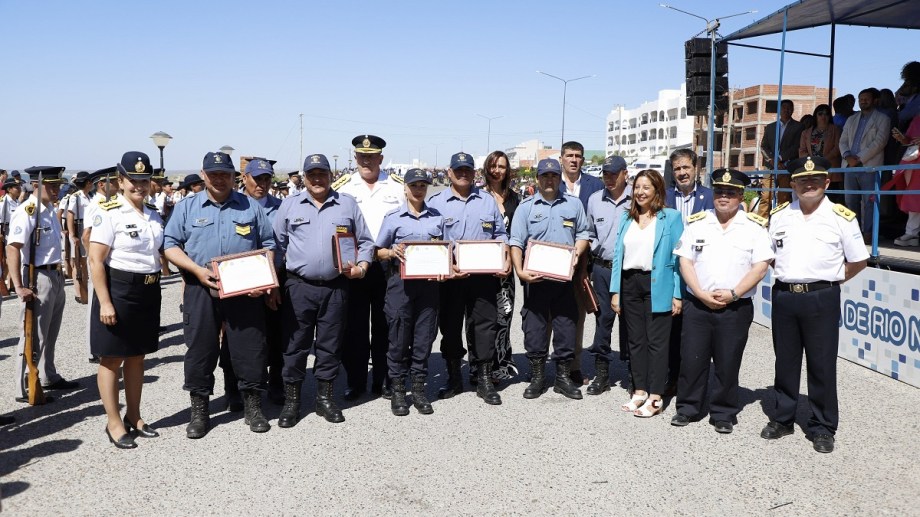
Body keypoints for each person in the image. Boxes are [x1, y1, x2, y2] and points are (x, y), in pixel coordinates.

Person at [164, 151, 278, 438]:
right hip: (201, 287)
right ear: (203, 175)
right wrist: (196, 270)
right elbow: (170, 245)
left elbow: (268, 244)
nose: (219, 179)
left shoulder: (251, 207)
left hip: (244, 291)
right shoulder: (187, 207)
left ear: (233, 177)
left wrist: (263, 279)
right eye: (213, 174)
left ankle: (253, 406)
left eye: (224, 174)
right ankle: (200, 410)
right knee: (200, 349)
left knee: (250, 348)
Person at [762, 156, 869, 453]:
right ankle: (783, 418)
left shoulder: (841, 216)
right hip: (785, 295)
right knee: (785, 361)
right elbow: (769, 255)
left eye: (815, 179)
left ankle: (822, 426)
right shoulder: (780, 215)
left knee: (821, 364)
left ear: (826, 182)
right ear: (793, 184)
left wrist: (829, 279)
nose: (808, 184)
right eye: (802, 180)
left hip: (822, 297)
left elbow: (858, 260)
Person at [273, 153, 374, 426]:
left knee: (330, 346)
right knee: (295, 346)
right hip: (298, 287)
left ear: (330, 176)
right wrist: (273, 284)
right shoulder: (290, 205)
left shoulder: (347, 204)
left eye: (322, 174)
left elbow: (366, 242)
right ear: (304, 177)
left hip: (335, 287)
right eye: (312, 174)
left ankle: (324, 399)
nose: (317, 179)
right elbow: (277, 247)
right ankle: (292, 402)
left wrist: (362, 267)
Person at [670, 169, 773, 433]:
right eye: (719, 192)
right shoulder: (698, 223)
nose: (724, 197)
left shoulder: (754, 227)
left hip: (735, 306)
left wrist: (734, 293)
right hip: (698, 304)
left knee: (728, 361)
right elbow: (685, 261)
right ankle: (688, 408)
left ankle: (723, 413)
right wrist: (699, 292)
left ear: (740, 195)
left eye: (730, 192)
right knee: (692, 359)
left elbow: (761, 267)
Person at [88, 152, 164, 449]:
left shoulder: (153, 213)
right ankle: (114, 422)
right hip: (119, 290)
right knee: (111, 358)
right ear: (120, 181)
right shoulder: (109, 212)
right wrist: (105, 302)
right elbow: (95, 260)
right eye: (133, 180)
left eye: (144, 180)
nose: (139, 186)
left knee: (137, 356)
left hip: (148, 290)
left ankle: (135, 415)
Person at [427, 152, 509, 405]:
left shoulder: (487, 201)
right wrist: (446, 265)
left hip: (483, 277)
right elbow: (430, 239)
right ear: (449, 172)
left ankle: (483, 379)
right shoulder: (436, 202)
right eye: (458, 170)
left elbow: (500, 234)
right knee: (450, 328)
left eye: (467, 170)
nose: (463, 174)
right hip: (450, 278)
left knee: (484, 327)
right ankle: (454, 378)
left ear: (474, 173)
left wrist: (504, 258)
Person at [509, 158, 590, 400]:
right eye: (545, 175)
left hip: (565, 279)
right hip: (536, 280)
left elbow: (583, 233)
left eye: (554, 175)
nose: (549, 179)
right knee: (534, 328)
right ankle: (537, 376)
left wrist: (577, 253)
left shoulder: (574, 205)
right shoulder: (526, 207)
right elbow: (516, 242)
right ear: (538, 178)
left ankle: (562, 378)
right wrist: (519, 271)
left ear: (559, 178)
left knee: (566, 326)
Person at [335, 134, 405, 400]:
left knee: (386, 324)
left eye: (372, 157)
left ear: (380, 158)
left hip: (388, 265)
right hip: (355, 265)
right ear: (355, 158)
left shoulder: (396, 186)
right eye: (362, 157)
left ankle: (383, 379)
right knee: (354, 326)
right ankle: (355, 380)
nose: (367, 161)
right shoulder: (343, 187)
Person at [610, 170, 683, 418]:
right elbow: (618, 256)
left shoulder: (671, 217)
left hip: (657, 284)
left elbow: (678, 258)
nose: (640, 192)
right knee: (635, 341)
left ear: (657, 190)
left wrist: (677, 294)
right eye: (637, 187)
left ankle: (655, 396)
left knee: (657, 343)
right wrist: (615, 291)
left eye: (646, 187)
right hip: (630, 283)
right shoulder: (626, 217)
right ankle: (639, 391)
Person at [8, 166, 80, 403]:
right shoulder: (28, 211)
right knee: (32, 335)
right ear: (36, 185)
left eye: (58, 185)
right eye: (52, 186)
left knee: (50, 332)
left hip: (55, 274)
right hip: (38, 277)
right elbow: (13, 248)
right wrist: (18, 286)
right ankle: (23, 386)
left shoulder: (49, 210)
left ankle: (47, 375)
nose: (57, 189)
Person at [375, 168, 444, 415]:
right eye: (414, 185)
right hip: (400, 284)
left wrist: (444, 267)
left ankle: (418, 390)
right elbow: (377, 251)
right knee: (398, 337)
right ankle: (397, 391)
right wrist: (391, 252)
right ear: (405, 188)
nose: (418, 190)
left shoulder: (437, 217)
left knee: (424, 338)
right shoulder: (393, 217)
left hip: (429, 285)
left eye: (422, 185)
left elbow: (446, 250)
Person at [220, 157, 286, 406]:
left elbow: (283, 246)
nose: (262, 184)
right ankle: (233, 387)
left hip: (274, 281)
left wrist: (274, 284)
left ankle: (275, 384)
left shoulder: (281, 207)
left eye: (267, 179)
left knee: (276, 334)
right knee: (234, 337)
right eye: (257, 179)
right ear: (244, 178)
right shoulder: (233, 205)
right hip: (239, 282)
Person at [663, 149, 714, 394]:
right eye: (677, 169)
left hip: (699, 274)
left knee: (695, 334)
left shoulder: (711, 197)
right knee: (671, 331)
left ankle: (693, 381)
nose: (682, 173)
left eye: (686, 167)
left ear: (696, 169)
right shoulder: (663, 197)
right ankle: (672, 377)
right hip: (669, 273)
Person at [557, 141, 604, 384]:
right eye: (569, 155)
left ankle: (573, 366)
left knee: (576, 315)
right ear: (561, 159)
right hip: (552, 260)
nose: (574, 160)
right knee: (548, 316)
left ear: (583, 160)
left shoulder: (595, 185)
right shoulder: (550, 180)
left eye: (578, 156)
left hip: (582, 262)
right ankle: (543, 365)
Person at [585, 155, 631, 396]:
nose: (609, 178)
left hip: (630, 271)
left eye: (614, 173)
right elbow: (589, 232)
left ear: (625, 174)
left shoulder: (638, 197)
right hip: (603, 269)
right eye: (606, 174)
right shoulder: (595, 200)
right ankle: (601, 374)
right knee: (603, 321)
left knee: (632, 322)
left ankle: (634, 374)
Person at [480, 150, 520, 382]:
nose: (497, 171)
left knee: (504, 316)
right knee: (481, 319)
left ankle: (501, 362)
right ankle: (480, 365)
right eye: (493, 166)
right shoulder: (478, 196)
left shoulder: (516, 200)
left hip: (506, 269)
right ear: (487, 168)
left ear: (508, 170)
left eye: (502, 167)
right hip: (480, 269)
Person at [839, 87, 891, 239]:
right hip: (849, 166)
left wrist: (859, 158)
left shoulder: (883, 119)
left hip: (869, 166)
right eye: (861, 99)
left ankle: (868, 233)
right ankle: (853, 233)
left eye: (866, 99)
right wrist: (847, 156)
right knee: (850, 201)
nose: (863, 101)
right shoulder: (851, 119)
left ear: (875, 100)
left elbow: (879, 142)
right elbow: (842, 141)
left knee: (870, 201)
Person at [759, 99, 803, 216]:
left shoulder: (798, 127)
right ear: (779, 110)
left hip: (786, 167)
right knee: (765, 197)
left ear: (792, 110)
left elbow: (796, 147)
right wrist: (772, 160)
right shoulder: (770, 127)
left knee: (784, 198)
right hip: (770, 167)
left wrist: (780, 158)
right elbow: (763, 146)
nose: (786, 110)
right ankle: (762, 223)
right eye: (784, 107)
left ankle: (781, 221)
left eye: (789, 107)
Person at [885, 115, 920, 246]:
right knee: (914, 197)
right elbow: (909, 140)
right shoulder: (917, 119)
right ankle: (912, 233)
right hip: (914, 163)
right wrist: (901, 138)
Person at [798, 104, 842, 202]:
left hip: (831, 170)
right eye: (820, 114)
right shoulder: (806, 132)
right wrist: (812, 160)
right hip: (812, 170)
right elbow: (802, 151)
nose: (823, 116)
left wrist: (823, 160)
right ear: (816, 116)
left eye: (826, 114)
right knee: (814, 199)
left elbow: (838, 148)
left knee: (831, 200)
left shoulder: (836, 129)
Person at [67, 171, 92, 303]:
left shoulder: (89, 196)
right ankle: (78, 292)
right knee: (78, 262)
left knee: (86, 261)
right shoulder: (75, 197)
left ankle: (86, 289)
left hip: (88, 227)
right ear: (87, 183)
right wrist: (72, 234)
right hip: (79, 227)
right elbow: (70, 215)